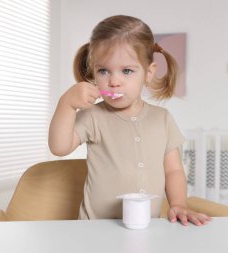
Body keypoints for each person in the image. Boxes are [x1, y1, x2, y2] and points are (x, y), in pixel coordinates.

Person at [48, 15, 211, 226]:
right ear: (93, 72)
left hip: (144, 227)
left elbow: (173, 170)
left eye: (126, 71)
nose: (114, 81)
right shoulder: (93, 116)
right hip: (94, 229)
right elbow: (59, 147)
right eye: (103, 70)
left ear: (148, 73)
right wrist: (66, 104)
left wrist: (178, 203)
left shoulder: (162, 119)